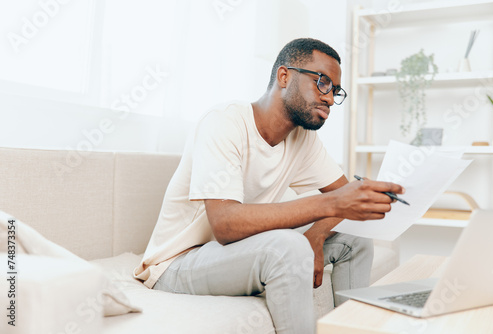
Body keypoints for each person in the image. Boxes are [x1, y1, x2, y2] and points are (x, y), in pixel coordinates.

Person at [134, 38, 404, 334]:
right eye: (322, 83)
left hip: (238, 252)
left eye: (335, 91)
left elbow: (346, 200)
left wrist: (316, 234)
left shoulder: (303, 139)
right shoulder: (224, 122)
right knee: (288, 247)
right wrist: (329, 205)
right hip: (179, 263)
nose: (329, 98)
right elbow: (225, 225)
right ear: (284, 76)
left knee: (355, 239)